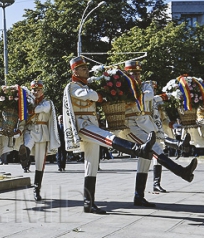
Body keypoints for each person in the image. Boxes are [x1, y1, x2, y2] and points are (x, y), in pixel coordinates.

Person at [62, 56, 156, 214]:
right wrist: (97, 93)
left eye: (86, 67)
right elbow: (88, 96)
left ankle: (88, 203)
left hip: (91, 122)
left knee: (91, 166)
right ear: (75, 71)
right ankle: (138, 150)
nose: (86, 70)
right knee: (106, 137)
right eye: (83, 68)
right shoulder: (73, 86)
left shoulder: (88, 84)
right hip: (82, 124)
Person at [119, 61, 197, 207]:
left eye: (138, 73)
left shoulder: (144, 86)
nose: (136, 76)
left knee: (145, 162)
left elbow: (149, 96)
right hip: (131, 126)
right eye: (132, 73)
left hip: (146, 125)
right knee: (155, 150)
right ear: (126, 74)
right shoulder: (122, 87)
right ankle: (182, 172)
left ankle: (138, 196)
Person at [22, 80, 59, 201]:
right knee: (26, 144)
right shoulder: (27, 102)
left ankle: (36, 189)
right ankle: (24, 157)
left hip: (42, 132)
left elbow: (41, 109)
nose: (36, 92)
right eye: (33, 90)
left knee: (39, 163)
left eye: (38, 90)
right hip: (30, 129)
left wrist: (30, 108)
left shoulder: (47, 102)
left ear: (42, 90)